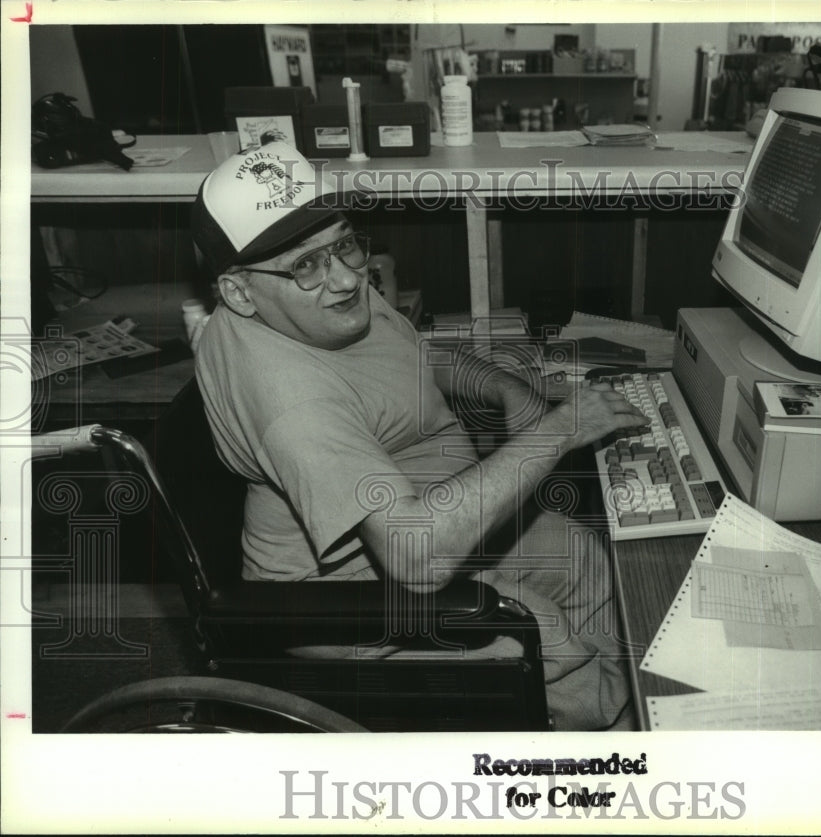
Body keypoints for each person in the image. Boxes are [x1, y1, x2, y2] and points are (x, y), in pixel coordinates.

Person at [190, 141, 648, 731]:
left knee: (586, 557)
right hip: (348, 595)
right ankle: (612, 747)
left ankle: (626, 702)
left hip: (426, 515)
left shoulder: (321, 304)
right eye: (305, 265)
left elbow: (409, 356)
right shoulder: (293, 401)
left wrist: (505, 388)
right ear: (237, 292)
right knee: (540, 635)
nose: (346, 278)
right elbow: (417, 558)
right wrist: (560, 430)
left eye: (344, 244)